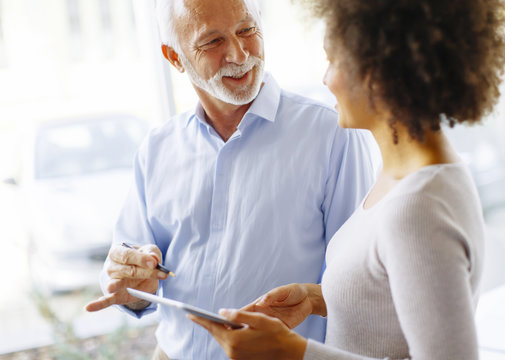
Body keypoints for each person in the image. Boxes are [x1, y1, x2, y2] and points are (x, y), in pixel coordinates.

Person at [188, 0, 505, 359]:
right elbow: (394, 296)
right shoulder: (409, 174)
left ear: (378, 71)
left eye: (333, 60)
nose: (325, 78)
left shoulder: (419, 206)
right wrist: (316, 298)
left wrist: (293, 353)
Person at [84, 0, 378, 359]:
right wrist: (129, 282)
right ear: (174, 57)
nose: (238, 54)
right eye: (212, 42)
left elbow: (364, 284)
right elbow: (127, 264)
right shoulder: (157, 148)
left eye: (246, 30)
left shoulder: (333, 134)